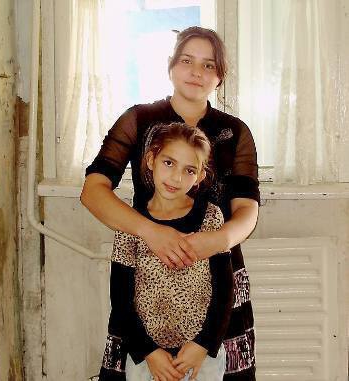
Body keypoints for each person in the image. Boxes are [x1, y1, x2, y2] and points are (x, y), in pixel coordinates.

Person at [81, 26, 260, 380]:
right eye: (187, 61)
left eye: (209, 66)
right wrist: (150, 232)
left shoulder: (235, 131)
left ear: (220, 77)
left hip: (214, 280)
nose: (197, 72)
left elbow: (247, 210)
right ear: (171, 65)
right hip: (146, 275)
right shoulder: (138, 119)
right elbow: (93, 190)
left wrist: (217, 240)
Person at [98, 122, 234, 381]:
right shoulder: (131, 222)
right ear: (151, 160)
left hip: (199, 357)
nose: (176, 178)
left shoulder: (210, 217)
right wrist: (148, 352)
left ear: (200, 176)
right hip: (146, 358)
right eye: (169, 163)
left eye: (189, 170)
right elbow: (120, 296)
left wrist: (203, 345)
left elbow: (225, 291)